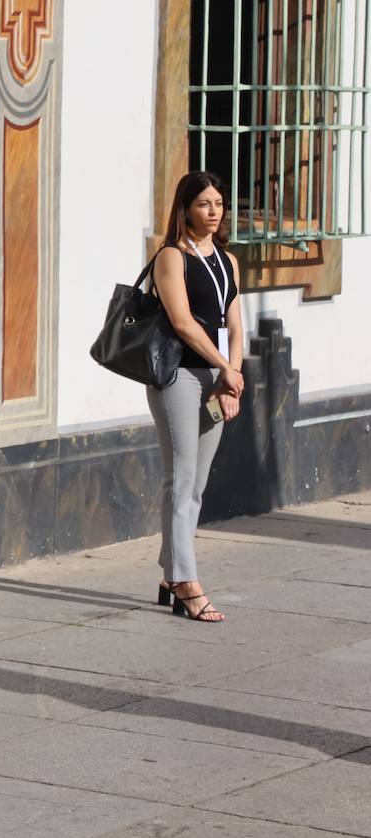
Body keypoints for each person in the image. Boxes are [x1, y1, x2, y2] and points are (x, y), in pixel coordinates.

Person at [149, 171, 245, 622]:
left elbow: (235, 322)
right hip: (179, 376)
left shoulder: (228, 260)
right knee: (180, 477)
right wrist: (224, 368)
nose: (214, 211)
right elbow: (183, 322)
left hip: (217, 376)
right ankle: (187, 580)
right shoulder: (171, 256)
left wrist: (232, 376)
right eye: (205, 203)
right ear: (185, 207)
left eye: (219, 203)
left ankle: (172, 572)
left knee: (197, 483)